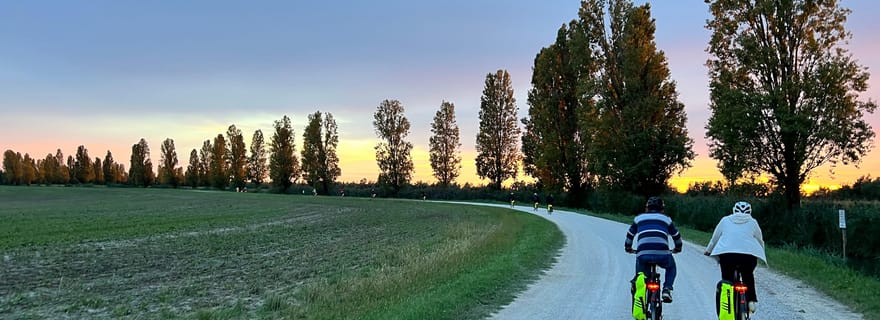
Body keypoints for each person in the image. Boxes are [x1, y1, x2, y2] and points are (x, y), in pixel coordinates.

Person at [704, 201, 766, 314]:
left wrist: (708, 250)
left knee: (727, 280)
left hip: (728, 256)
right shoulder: (753, 222)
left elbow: (715, 238)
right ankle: (751, 301)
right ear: (750, 211)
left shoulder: (725, 220)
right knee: (748, 275)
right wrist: (761, 252)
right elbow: (759, 240)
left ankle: (728, 304)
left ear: (734, 210)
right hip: (748, 257)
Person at [624, 196, 682, 303]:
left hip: (643, 254)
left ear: (647, 208)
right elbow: (676, 235)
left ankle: (639, 284)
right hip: (663, 254)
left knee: (641, 275)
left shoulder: (638, 219)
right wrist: (678, 248)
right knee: (671, 267)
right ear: (662, 209)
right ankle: (667, 289)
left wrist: (628, 248)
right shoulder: (666, 219)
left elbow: (630, 235)